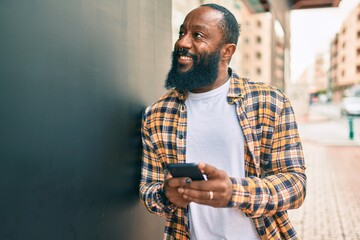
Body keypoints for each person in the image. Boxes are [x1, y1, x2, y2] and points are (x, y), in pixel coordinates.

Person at [140, 3, 306, 240]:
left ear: (227, 51)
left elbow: (295, 186)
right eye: (182, 33)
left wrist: (234, 192)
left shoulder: (270, 102)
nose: (183, 43)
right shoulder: (156, 114)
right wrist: (165, 196)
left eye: (197, 35)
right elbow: (148, 191)